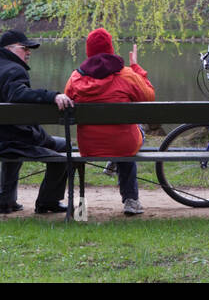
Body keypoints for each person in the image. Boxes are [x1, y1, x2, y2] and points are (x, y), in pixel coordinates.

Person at [0, 30, 75, 215]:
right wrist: (52, 95)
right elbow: (18, 94)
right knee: (63, 149)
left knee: (15, 144)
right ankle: (48, 201)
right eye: (25, 48)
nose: (29, 52)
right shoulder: (14, 70)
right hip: (3, 140)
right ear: (10, 49)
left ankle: (7, 202)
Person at [63, 28, 155, 216]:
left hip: (89, 146)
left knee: (123, 137)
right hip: (123, 143)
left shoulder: (75, 78)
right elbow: (149, 96)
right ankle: (131, 200)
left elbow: (66, 100)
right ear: (111, 49)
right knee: (129, 137)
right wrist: (137, 67)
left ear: (89, 51)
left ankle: (81, 208)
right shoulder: (127, 74)